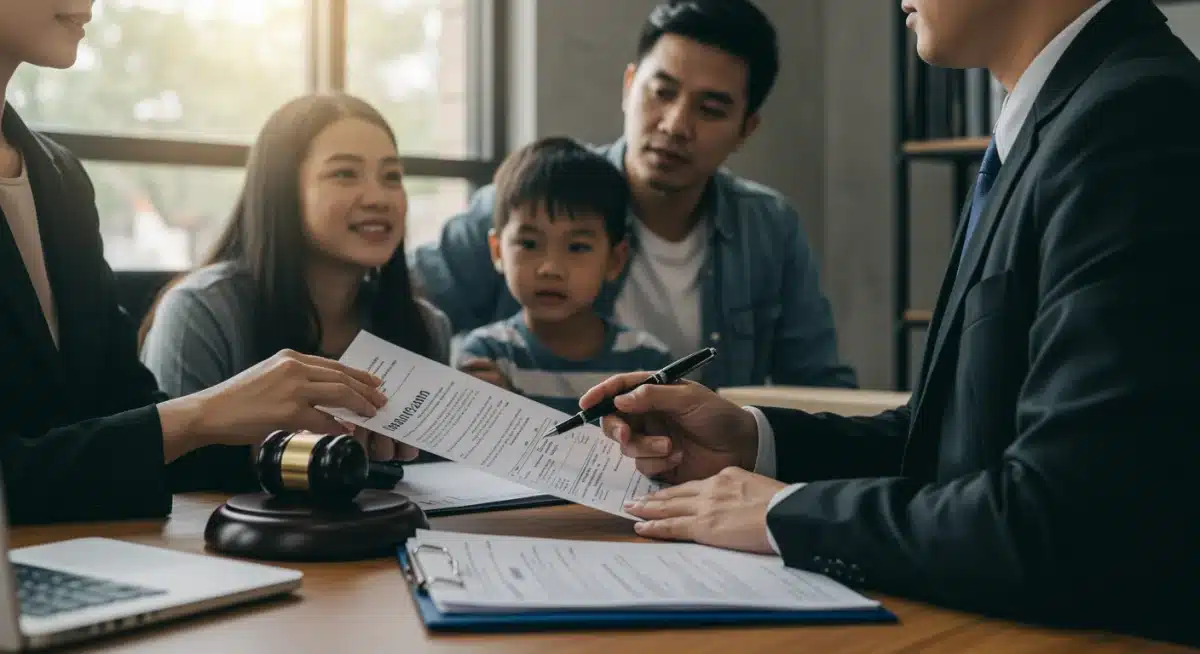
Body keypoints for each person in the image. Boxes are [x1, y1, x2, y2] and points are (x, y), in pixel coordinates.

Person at [582, 0, 1200, 645]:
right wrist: (756, 442)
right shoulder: (1059, 117)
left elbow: (1074, 517)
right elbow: (951, 445)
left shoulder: (1135, 120)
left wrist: (780, 513)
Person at [0, 2, 394, 525]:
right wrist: (203, 415)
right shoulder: (208, 302)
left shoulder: (61, 178)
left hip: (84, 559)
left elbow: (115, 417)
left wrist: (279, 439)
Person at [411, 0, 857, 391]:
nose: (675, 124)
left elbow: (818, 387)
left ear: (746, 128)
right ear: (629, 87)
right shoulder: (539, 196)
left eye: (711, 109)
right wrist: (465, 368)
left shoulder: (769, 227)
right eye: (661, 93)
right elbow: (400, 305)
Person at [139, 92, 448, 491]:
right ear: (283, 190)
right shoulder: (200, 312)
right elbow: (175, 481)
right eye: (345, 174)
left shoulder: (427, 326)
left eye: (391, 177)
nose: (378, 198)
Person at [455, 137, 673, 414]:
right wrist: (502, 407)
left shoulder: (647, 361)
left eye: (577, 247)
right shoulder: (488, 356)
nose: (550, 268)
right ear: (498, 251)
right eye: (529, 244)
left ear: (615, 260)